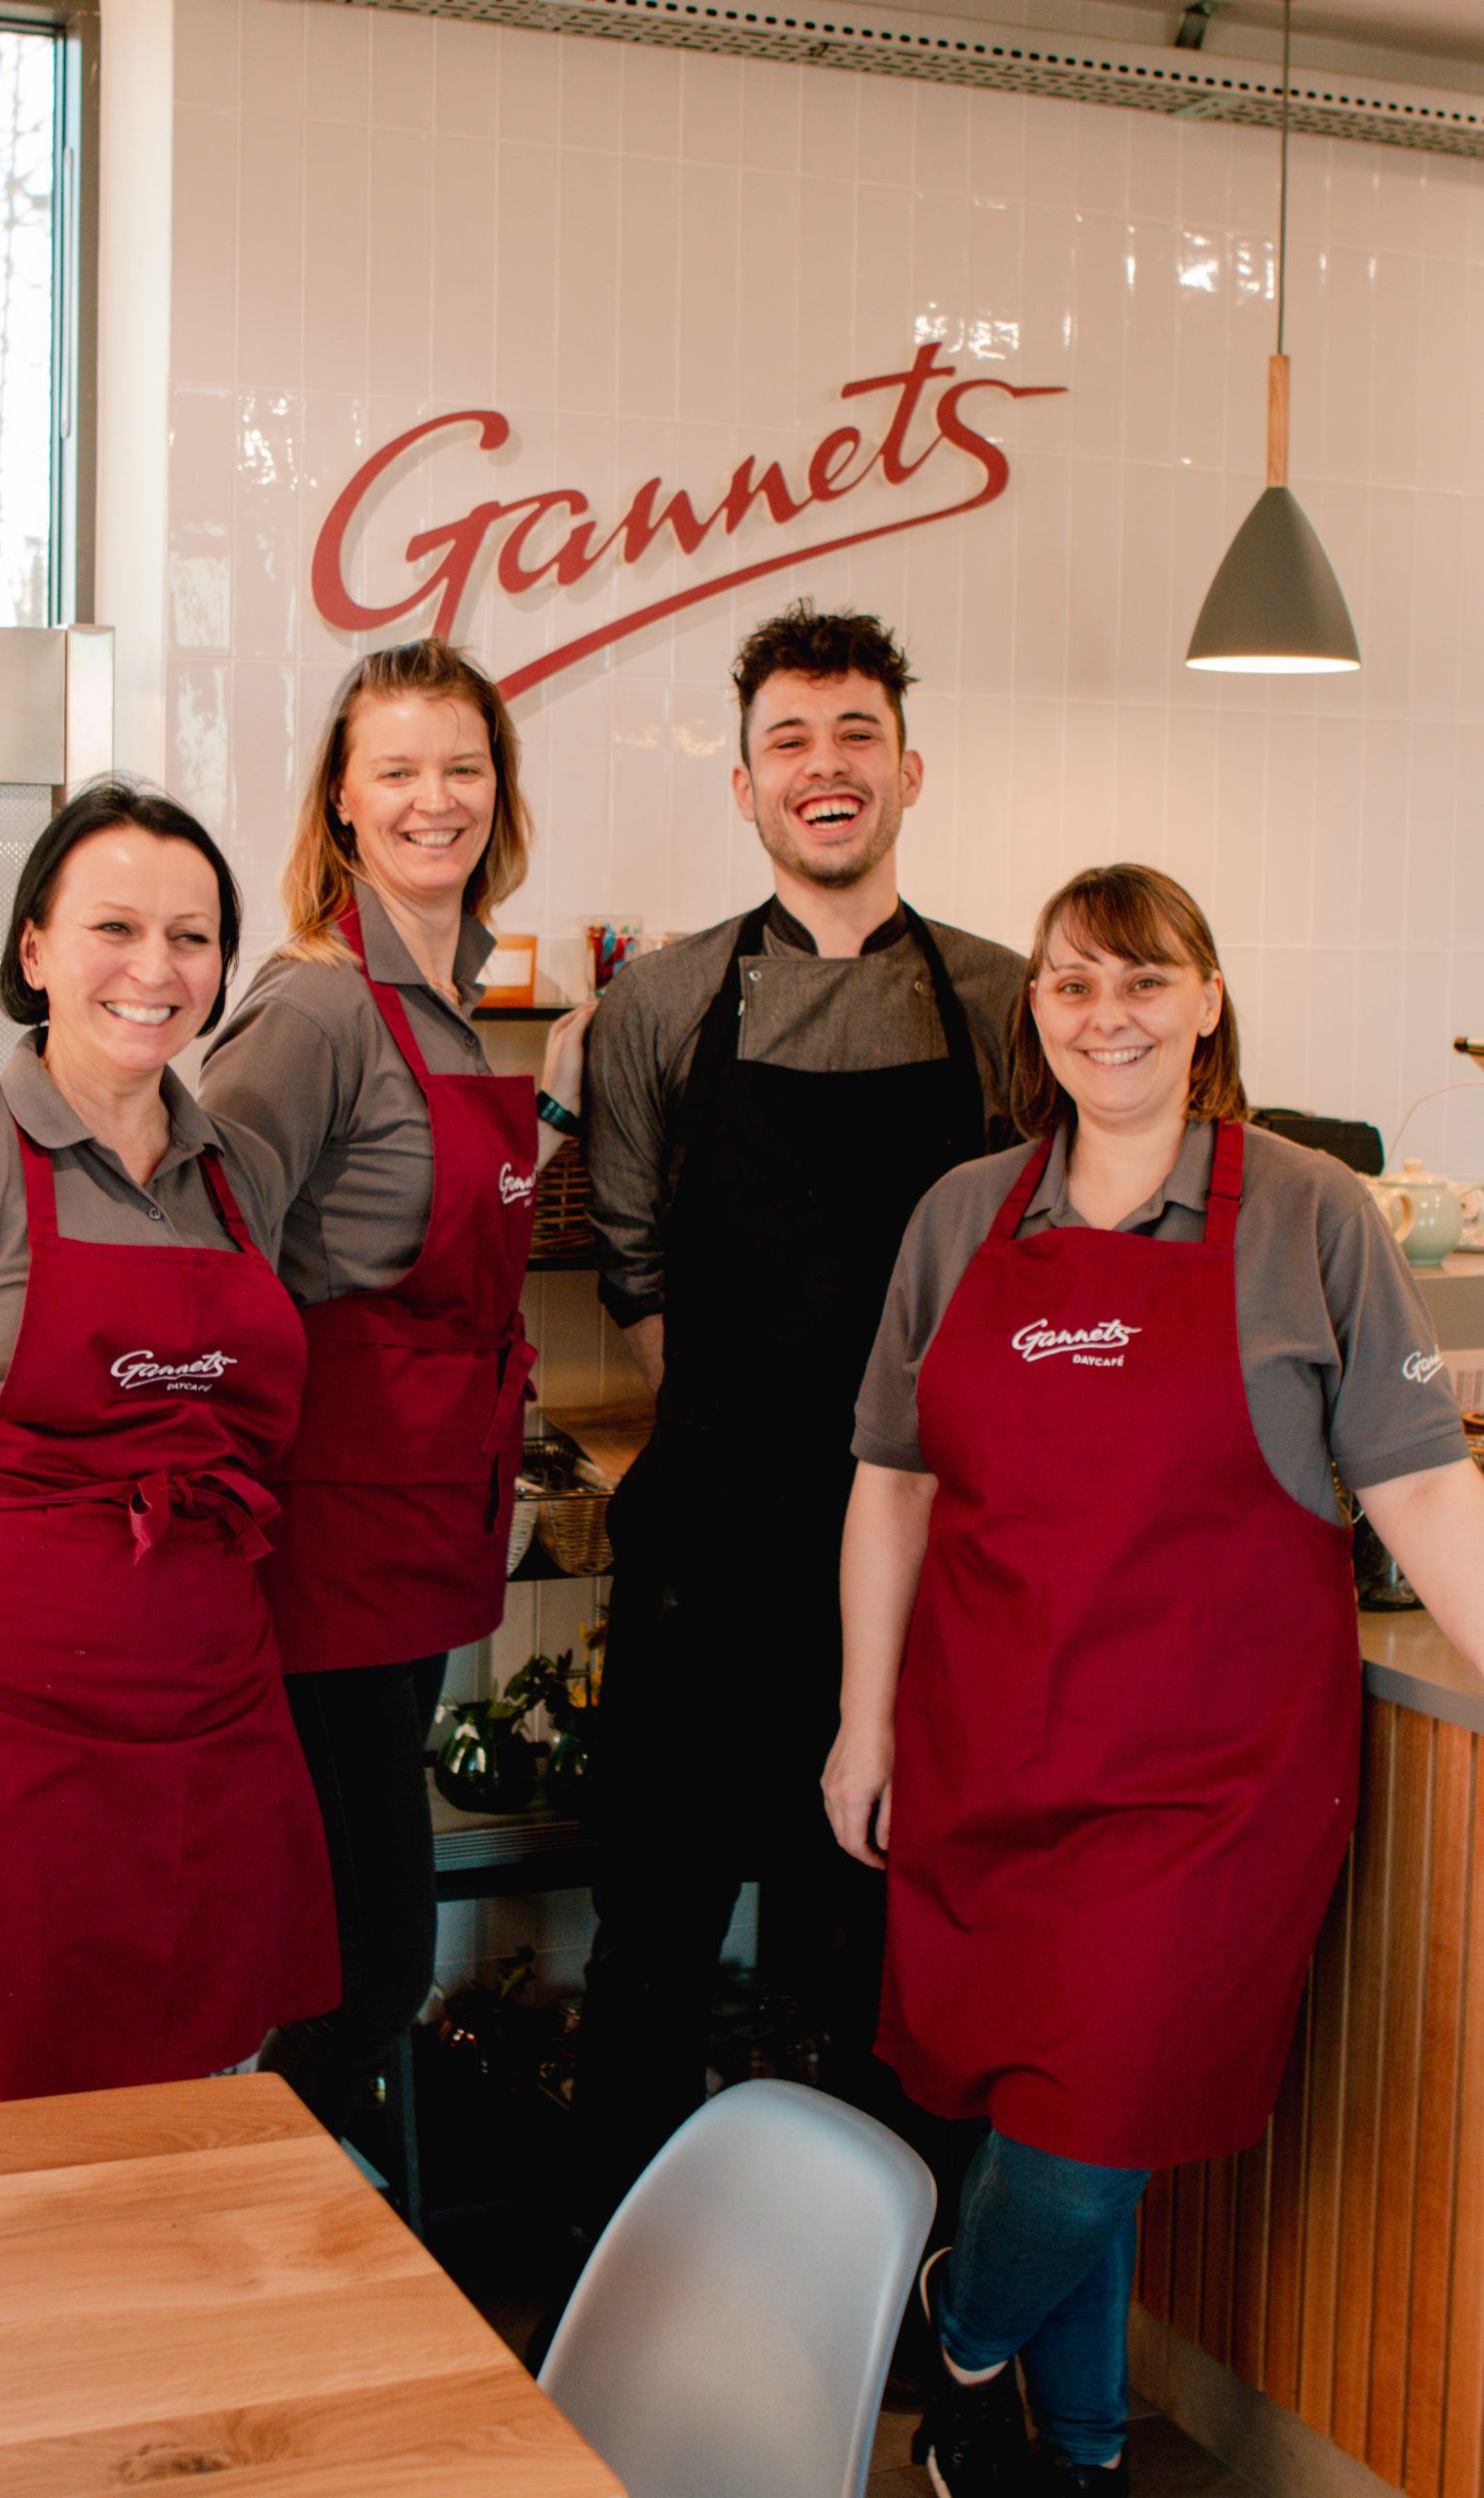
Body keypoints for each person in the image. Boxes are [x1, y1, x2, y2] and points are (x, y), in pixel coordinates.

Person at [826, 862, 1484, 2495]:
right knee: (1053, 2106)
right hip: (991, 1751)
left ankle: (956, 2334)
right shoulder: (964, 1215)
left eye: (1143, 981)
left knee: (1089, 2120)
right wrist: (862, 1719)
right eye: (1071, 984)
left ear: (1205, 1002)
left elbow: (1422, 1486)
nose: (1106, 1015)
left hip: (1214, 1784)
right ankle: (1083, 2447)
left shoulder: (1313, 1214)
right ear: (1035, 1014)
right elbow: (892, 1484)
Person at [574, 600, 1023, 2229]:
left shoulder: (1007, 1002)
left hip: (930, 1576)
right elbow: (633, 1269)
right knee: (654, 1945)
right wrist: (741, 1459)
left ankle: (877, 2319)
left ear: (910, 769)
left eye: (854, 739)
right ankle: (599, 2313)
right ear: (746, 789)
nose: (824, 771)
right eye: (790, 743)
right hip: (713, 1565)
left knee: (886, 1957)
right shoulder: (659, 1011)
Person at [0, 781, 339, 2117]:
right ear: (36, 950)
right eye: (114, 927)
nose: (155, 969)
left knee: (195, 2069)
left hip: (209, 1710)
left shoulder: (239, 1172)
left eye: (193, 936)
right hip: (0, 1732)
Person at [197, 637, 590, 2141]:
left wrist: (550, 1096)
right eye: (401, 772)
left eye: (465, 769)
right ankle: (258, 2238)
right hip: (318, 1560)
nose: (438, 800)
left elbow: (435, 1236)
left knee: (362, 1961)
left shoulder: (449, 998)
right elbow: (209, 1250)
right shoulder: (310, 1010)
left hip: (413, 1547)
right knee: (359, 1972)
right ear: (344, 804)